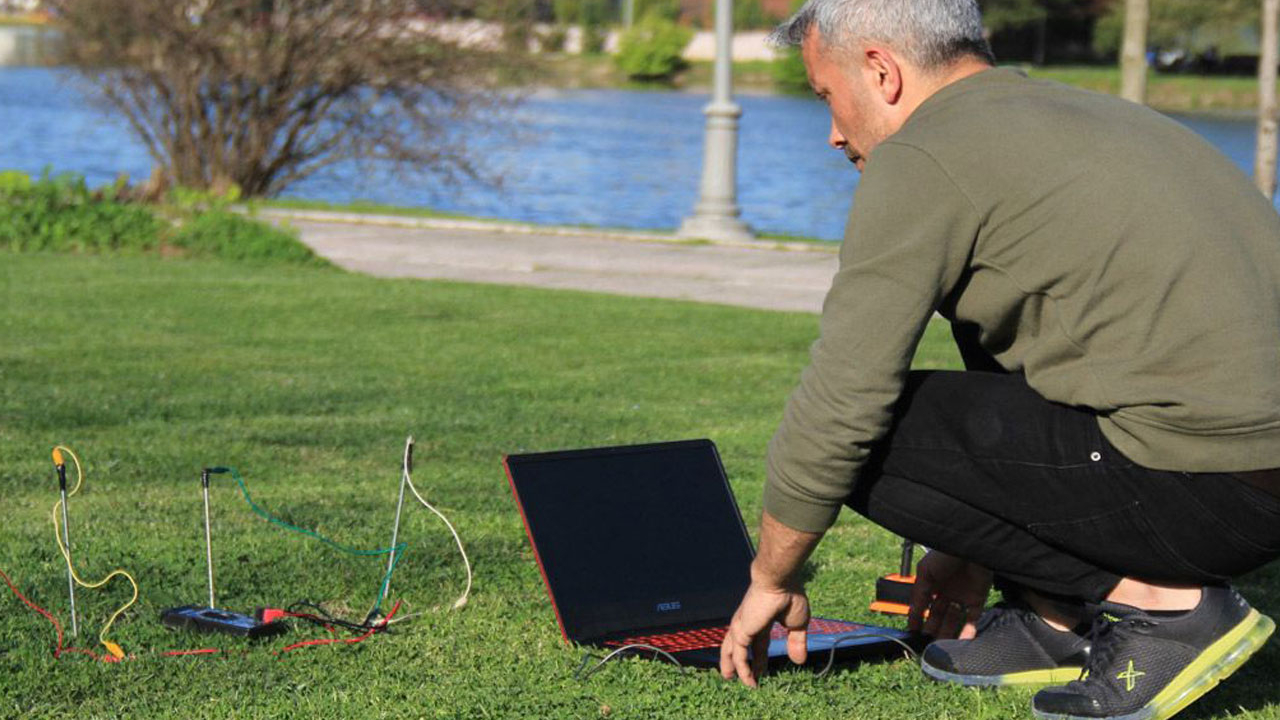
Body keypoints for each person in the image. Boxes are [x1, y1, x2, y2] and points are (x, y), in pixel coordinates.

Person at [717, 1, 1280, 719]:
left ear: (882, 72)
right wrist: (975, 547)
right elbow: (1015, 377)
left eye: (828, 97)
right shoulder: (1082, 115)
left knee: (865, 432)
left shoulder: (924, 153)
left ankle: (1169, 612)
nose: (832, 134)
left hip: (1202, 481)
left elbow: (844, 397)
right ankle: (1051, 624)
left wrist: (773, 576)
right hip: (1257, 485)